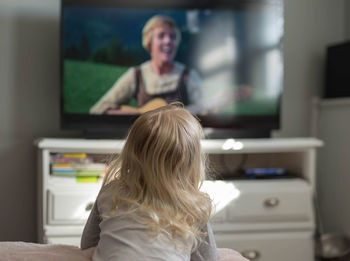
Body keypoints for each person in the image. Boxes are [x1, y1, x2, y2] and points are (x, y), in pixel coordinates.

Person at [81, 103, 218, 261]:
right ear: (190, 163)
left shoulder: (111, 192)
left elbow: (88, 244)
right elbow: (209, 258)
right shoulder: (193, 205)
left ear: (131, 153)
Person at [89, 15, 203, 115]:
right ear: (149, 42)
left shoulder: (188, 76)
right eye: (161, 35)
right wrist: (137, 116)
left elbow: (204, 112)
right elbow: (98, 109)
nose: (168, 41)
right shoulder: (136, 74)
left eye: (172, 37)